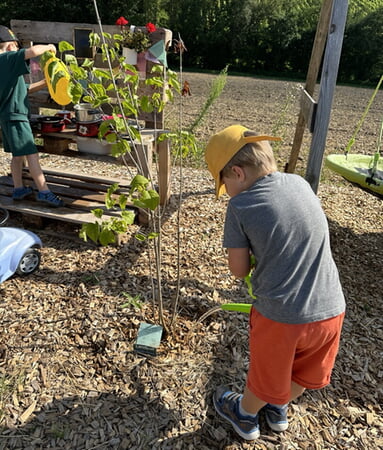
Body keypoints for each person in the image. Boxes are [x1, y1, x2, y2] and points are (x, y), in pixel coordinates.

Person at [205, 124, 345, 441]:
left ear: (237, 173)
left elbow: (238, 269)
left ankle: (245, 414)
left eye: (223, 181)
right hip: (331, 310)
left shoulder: (240, 206)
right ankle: (278, 406)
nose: (225, 189)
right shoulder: (300, 184)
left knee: (266, 373)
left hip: (283, 317)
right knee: (305, 371)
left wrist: (254, 257)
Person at [0, 25, 64, 207]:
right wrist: (50, 46)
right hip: (17, 117)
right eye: (17, 46)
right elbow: (35, 50)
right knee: (32, 155)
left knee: (17, 156)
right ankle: (44, 191)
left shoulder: (5, 66)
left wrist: (46, 82)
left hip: (7, 116)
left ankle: (19, 188)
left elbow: (24, 89)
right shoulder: (7, 58)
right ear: (11, 46)